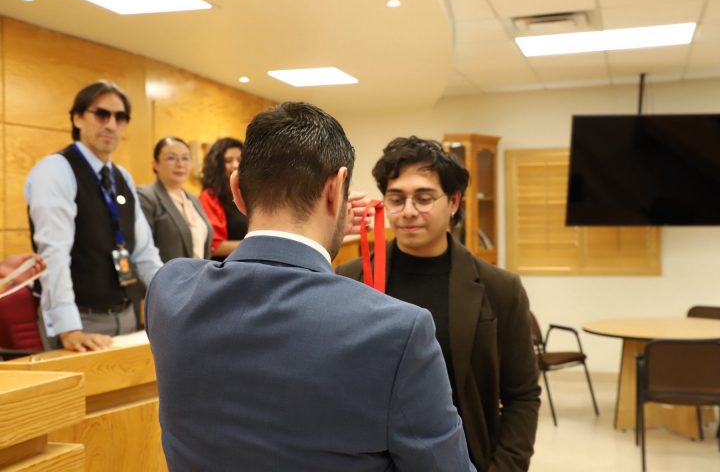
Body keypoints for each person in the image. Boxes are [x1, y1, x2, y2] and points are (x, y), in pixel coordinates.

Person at [146, 102, 475, 471]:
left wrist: (325, 223)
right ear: (336, 188)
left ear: (237, 190)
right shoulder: (398, 330)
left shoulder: (170, 291)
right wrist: (326, 222)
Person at [337, 136, 541, 472]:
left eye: (424, 198)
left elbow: (522, 396)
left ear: (454, 201)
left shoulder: (500, 289)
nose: (408, 211)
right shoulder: (350, 278)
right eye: (396, 199)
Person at [25, 80, 162, 352]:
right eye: (101, 114)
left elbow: (145, 253)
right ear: (77, 118)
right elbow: (54, 254)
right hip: (81, 321)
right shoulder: (55, 170)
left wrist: (177, 300)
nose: (111, 125)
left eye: (120, 117)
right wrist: (69, 329)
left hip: (126, 315)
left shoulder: (122, 177)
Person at [138, 137, 213, 262]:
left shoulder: (194, 200)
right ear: (155, 164)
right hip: (164, 273)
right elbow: (142, 249)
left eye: (185, 158)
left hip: (198, 273)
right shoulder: (145, 197)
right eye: (171, 158)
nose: (180, 164)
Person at [198, 137, 247, 258]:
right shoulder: (210, 196)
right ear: (217, 165)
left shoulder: (248, 193)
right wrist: (256, 245)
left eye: (239, 160)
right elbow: (214, 246)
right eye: (228, 161)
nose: (235, 165)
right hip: (225, 265)